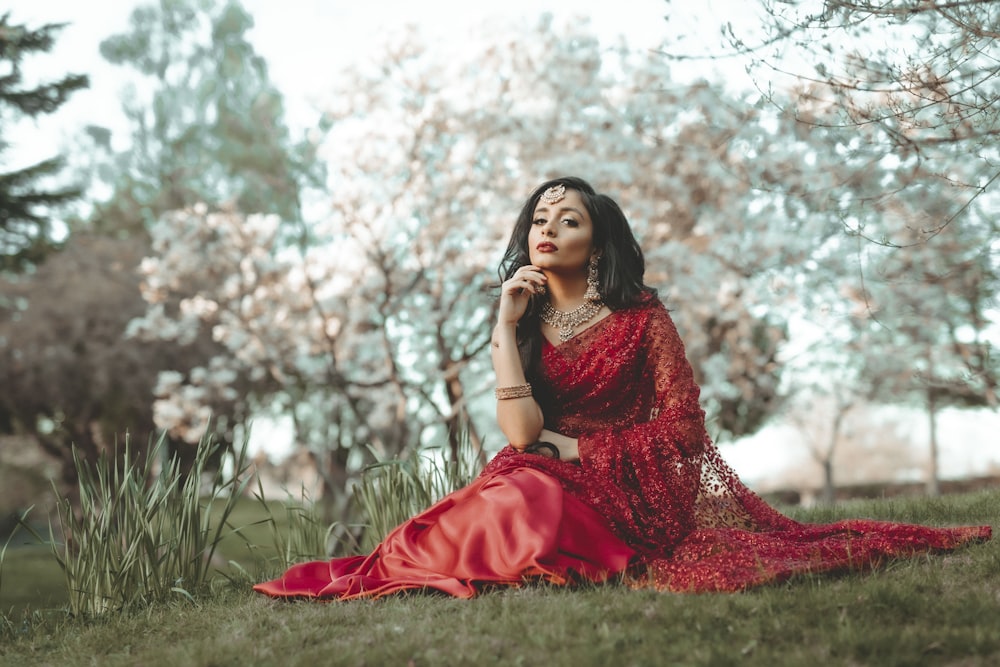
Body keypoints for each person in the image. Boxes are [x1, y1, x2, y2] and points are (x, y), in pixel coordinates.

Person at [253, 177, 991, 599]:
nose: (548, 228)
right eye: (539, 218)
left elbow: (685, 432)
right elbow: (518, 438)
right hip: (534, 468)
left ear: (596, 243)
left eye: (567, 219)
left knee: (528, 505)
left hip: (623, 486)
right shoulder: (525, 317)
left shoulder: (643, 321)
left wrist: (580, 444)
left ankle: (546, 556)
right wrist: (500, 331)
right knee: (505, 497)